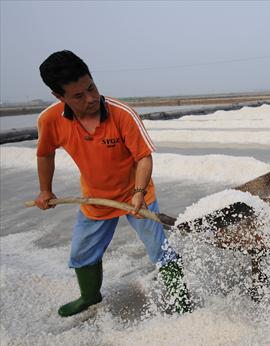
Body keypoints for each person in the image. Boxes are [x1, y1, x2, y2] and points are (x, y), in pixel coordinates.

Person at [34, 50, 191, 317]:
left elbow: (143, 157)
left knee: (160, 249)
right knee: (82, 252)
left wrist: (139, 193)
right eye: (79, 96)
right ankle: (89, 297)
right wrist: (45, 189)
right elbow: (45, 153)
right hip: (95, 198)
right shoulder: (50, 120)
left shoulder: (121, 114)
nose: (91, 98)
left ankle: (182, 301)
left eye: (91, 87)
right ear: (59, 97)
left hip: (137, 195)